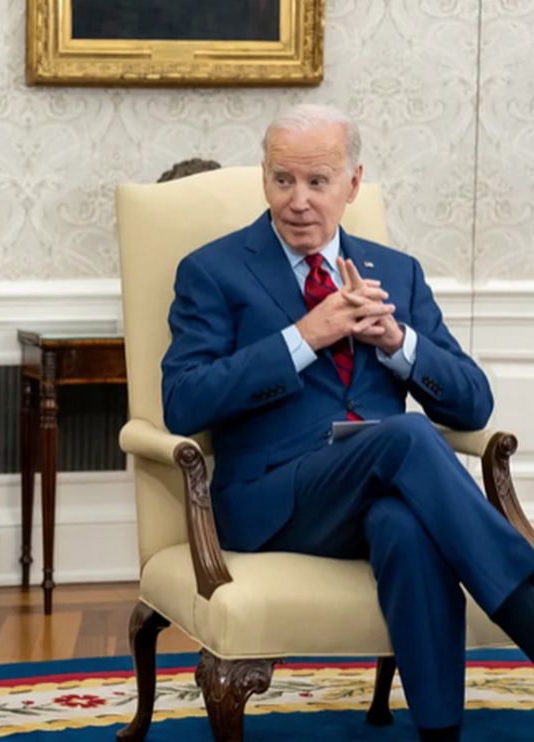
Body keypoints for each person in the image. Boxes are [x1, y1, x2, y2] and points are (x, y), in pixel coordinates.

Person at [160, 103, 534, 742]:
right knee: (407, 436)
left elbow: (473, 403)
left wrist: (399, 344)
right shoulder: (213, 271)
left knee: (403, 524)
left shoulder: (397, 273)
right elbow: (183, 401)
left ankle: (439, 733)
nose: (298, 200)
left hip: (380, 493)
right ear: (264, 176)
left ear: (353, 183)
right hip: (272, 499)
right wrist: (304, 337)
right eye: (283, 180)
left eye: (317, 181)